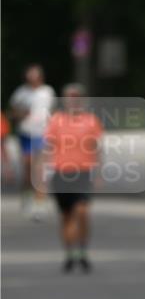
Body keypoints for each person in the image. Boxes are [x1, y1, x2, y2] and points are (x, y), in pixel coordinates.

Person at [44, 84, 103, 272]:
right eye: (70, 96)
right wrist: (44, 174)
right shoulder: (56, 121)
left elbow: (97, 148)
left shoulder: (91, 121)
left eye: (77, 96)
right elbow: (48, 149)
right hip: (61, 172)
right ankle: (70, 254)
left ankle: (83, 251)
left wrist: (99, 172)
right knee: (66, 216)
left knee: (82, 212)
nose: (73, 100)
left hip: (83, 172)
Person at [8, 64, 56, 218]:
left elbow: (53, 112)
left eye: (35, 76)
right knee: (28, 166)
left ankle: (40, 202)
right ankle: (27, 195)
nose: (32, 79)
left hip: (42, 133)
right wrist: (20, 114)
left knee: (40, 168)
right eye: (30, 76)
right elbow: (12, 112)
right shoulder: (21, 92)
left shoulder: (48, 91)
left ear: (40, 77)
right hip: (26, 133)